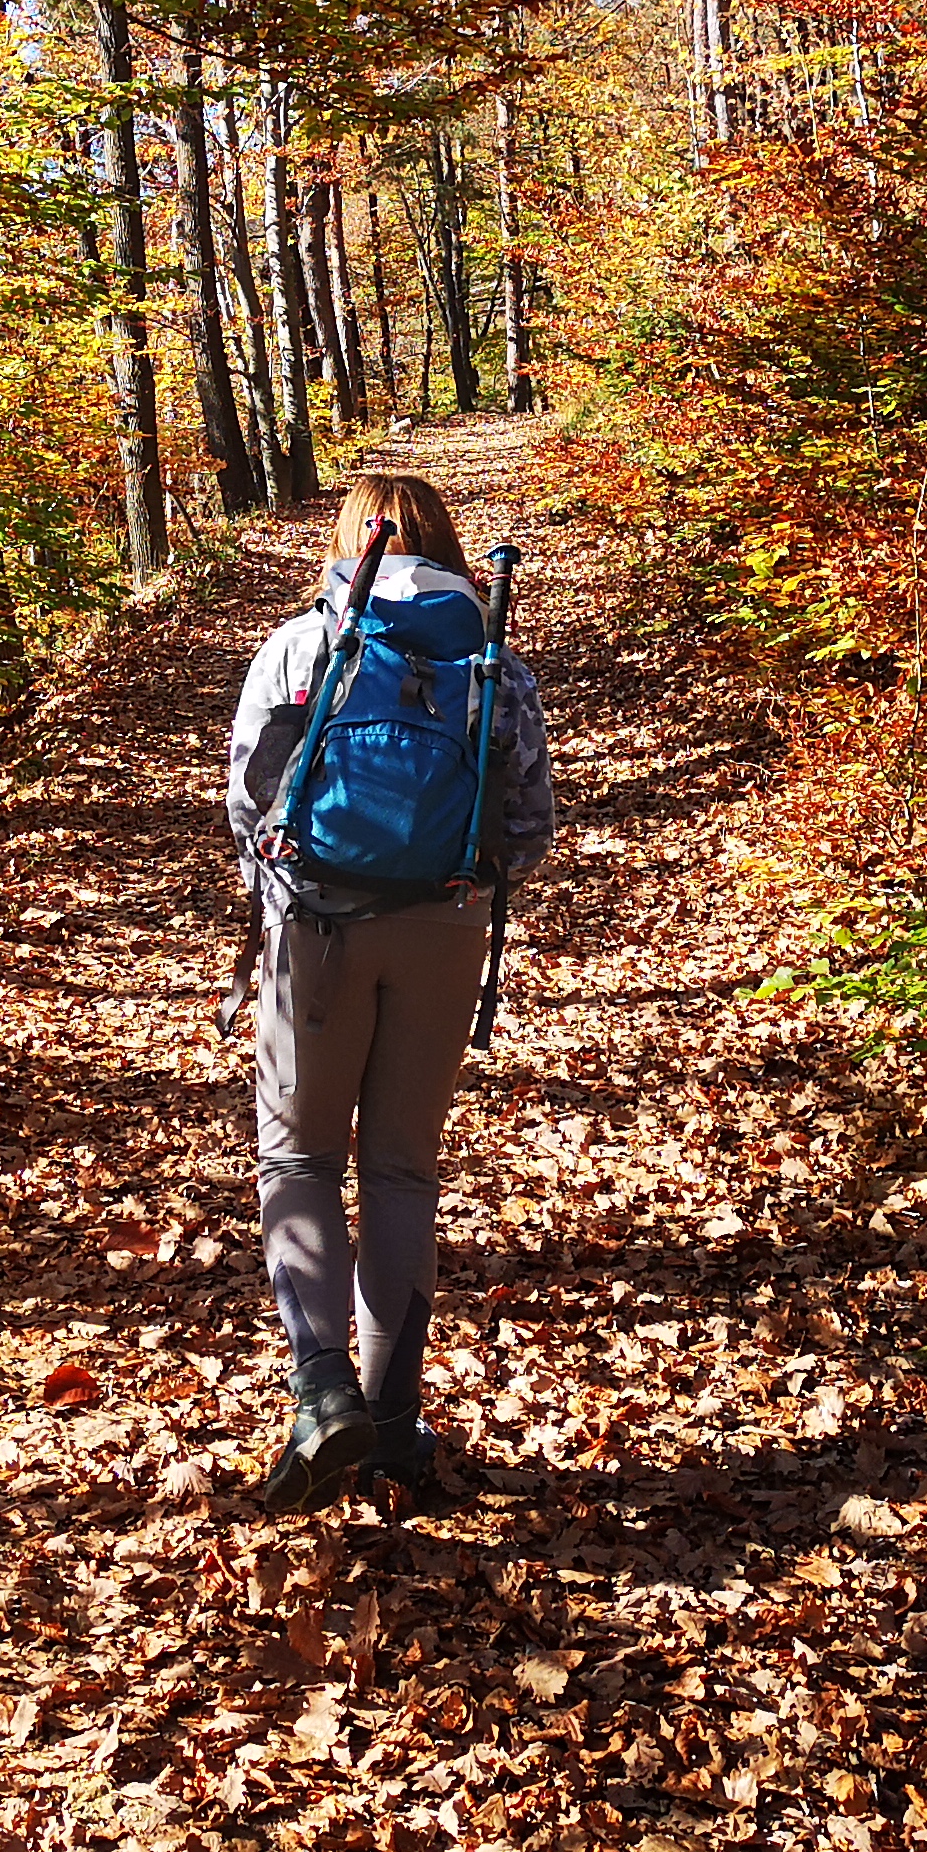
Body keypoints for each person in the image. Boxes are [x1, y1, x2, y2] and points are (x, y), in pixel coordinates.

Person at [223, 471, 555, 1512]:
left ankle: (323, 1393)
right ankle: (398, 1417)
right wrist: (453, 885)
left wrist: (279, 895)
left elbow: (247, 795)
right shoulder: (492, 660)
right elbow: (531, 823)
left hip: (314, 928)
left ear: (347, 540)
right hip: (447, 928)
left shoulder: (303, 643)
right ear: (449, 547)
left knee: (299, 1158)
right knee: (403, 1172)